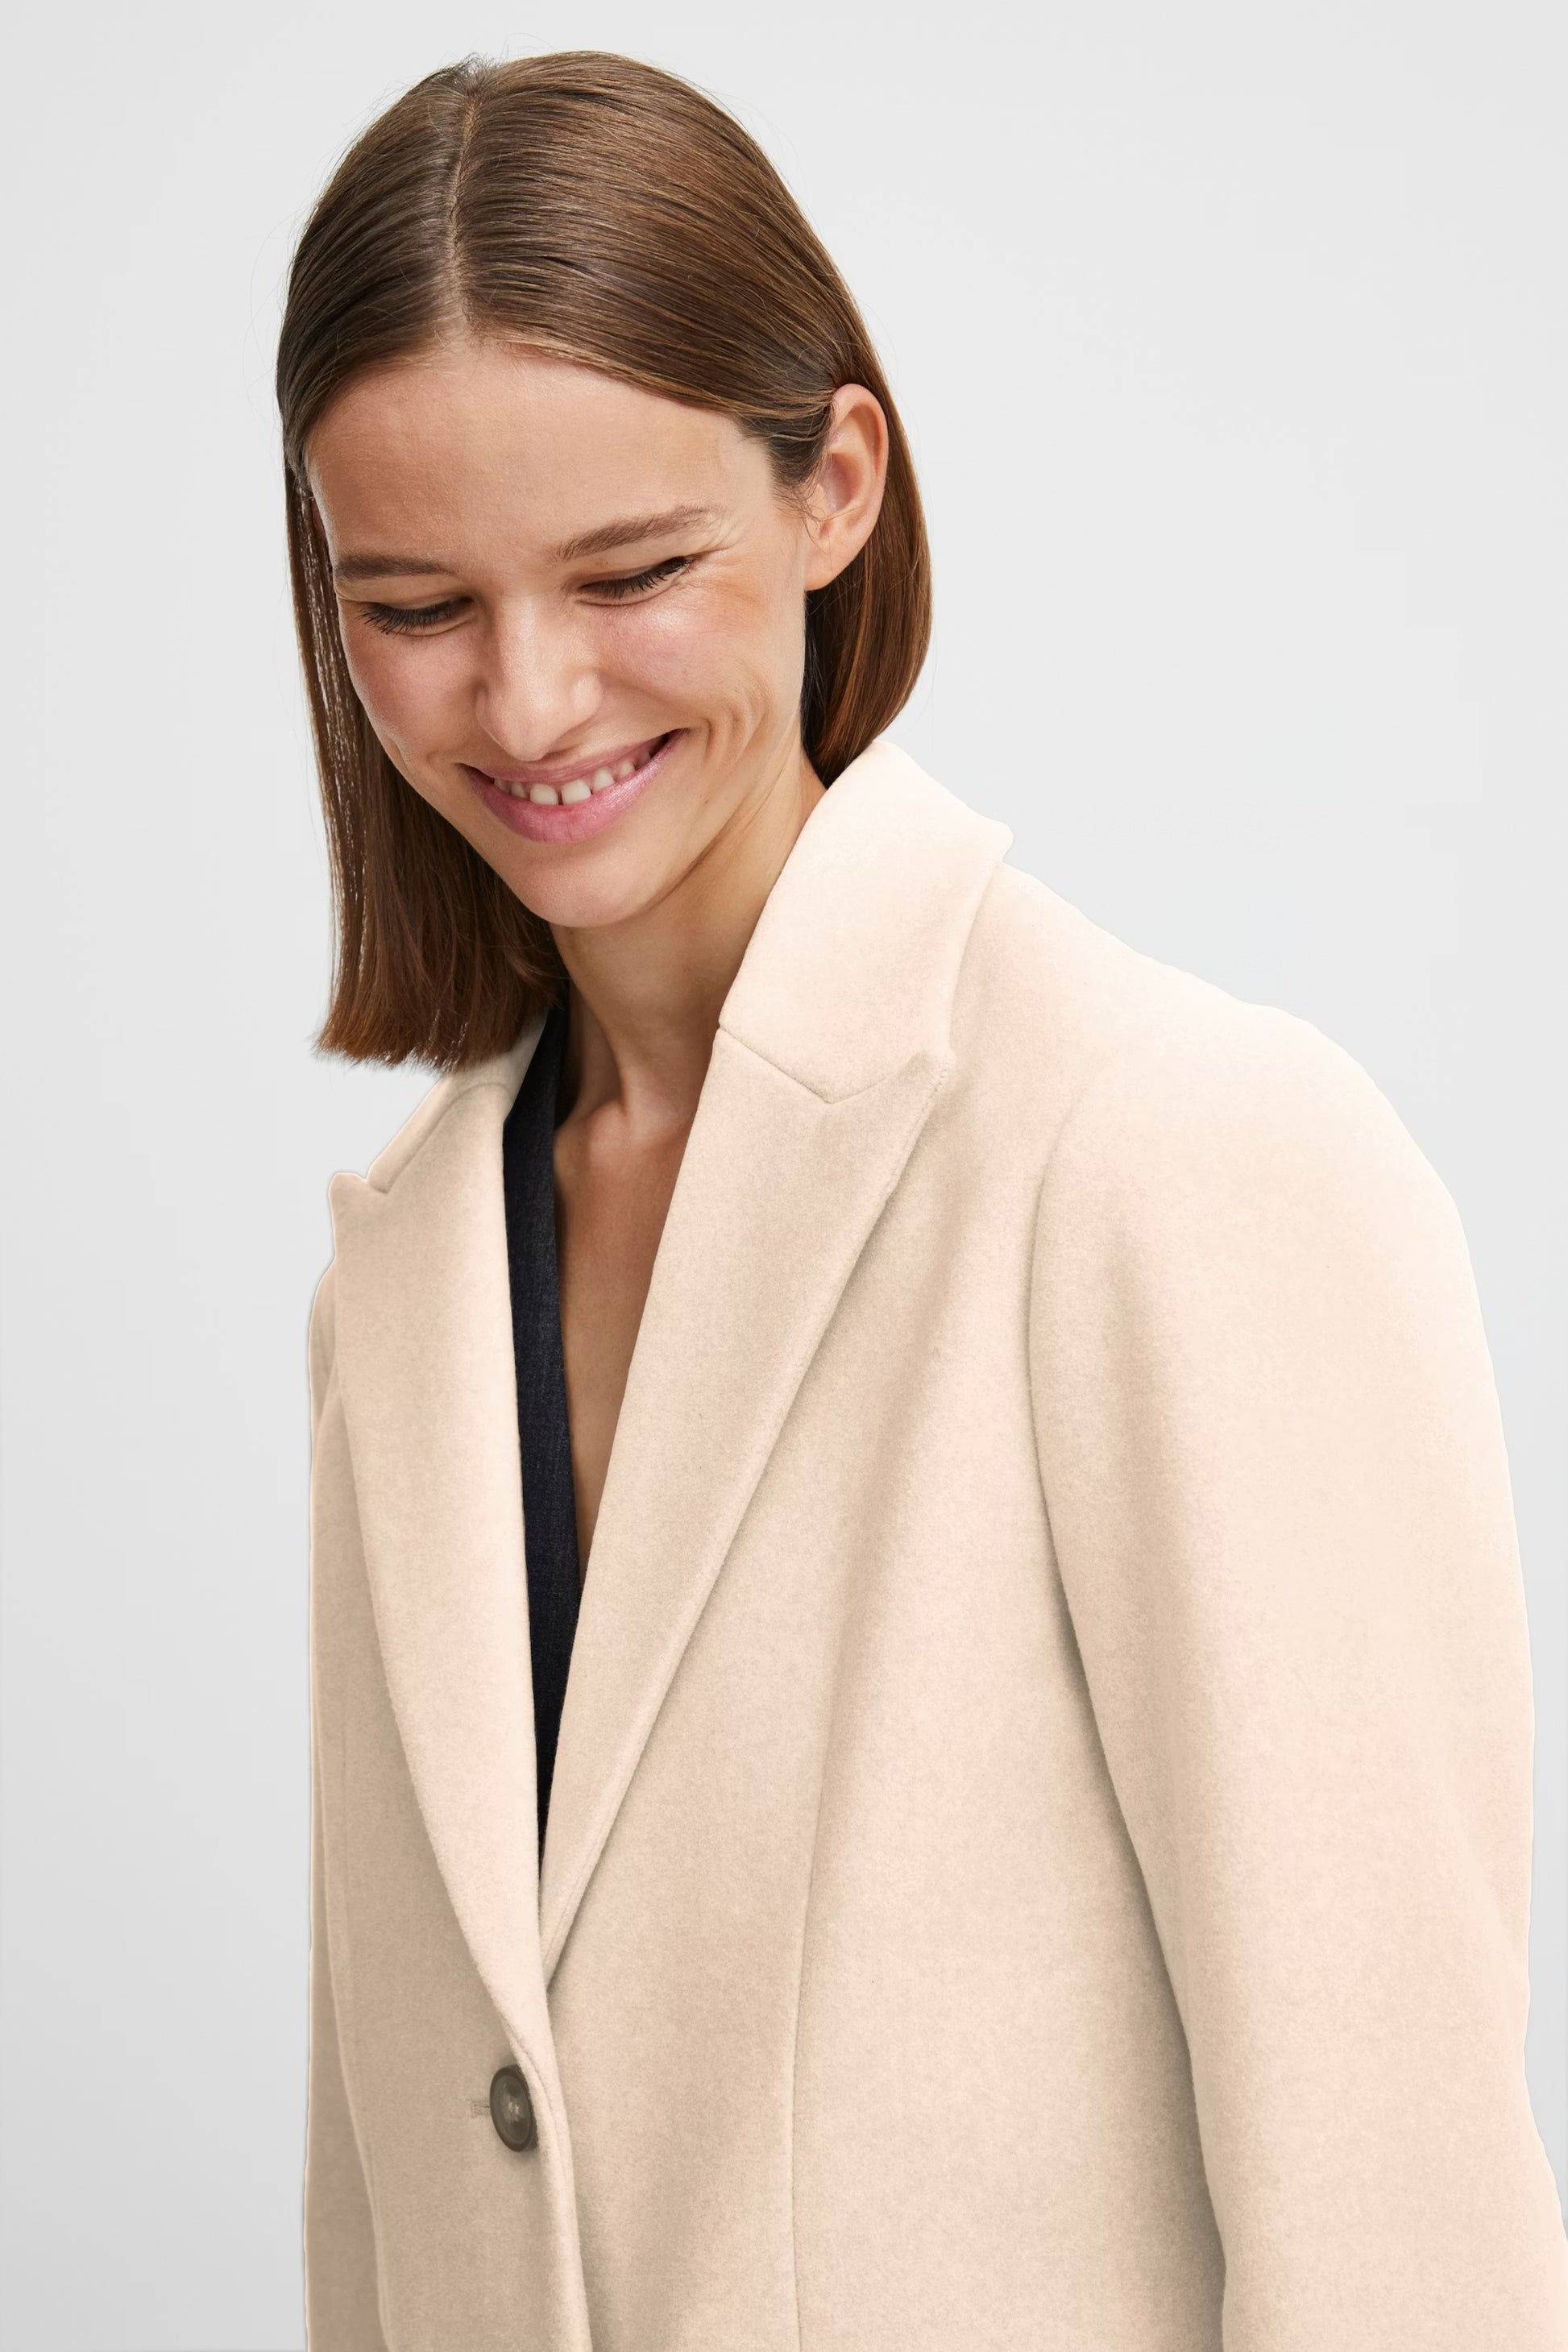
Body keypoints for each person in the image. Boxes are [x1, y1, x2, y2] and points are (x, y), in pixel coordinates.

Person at [280, 49, 1568, 2352]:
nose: (530, 699)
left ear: (836, 488)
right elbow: (396, 2195)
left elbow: (1404, 2223)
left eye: (630, 571)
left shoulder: (1167, 1155)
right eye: (416, 601)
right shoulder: (407, 1271)